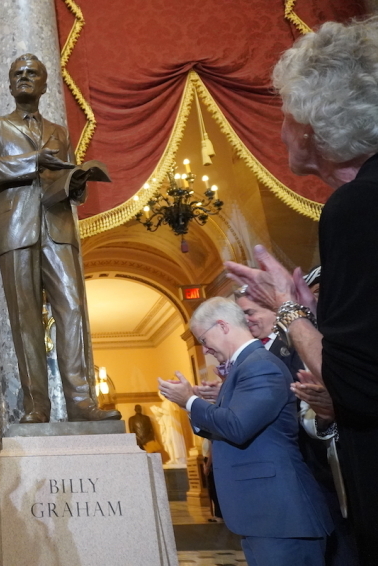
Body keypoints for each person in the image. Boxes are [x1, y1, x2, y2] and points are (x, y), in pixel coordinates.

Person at [224, 16, 378, 563]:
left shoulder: (357, 207)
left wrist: (288, 309)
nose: (281, 128)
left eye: (284, 114)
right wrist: (319, 314)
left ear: (313, 125)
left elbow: (357, 387)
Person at [0, 53, 118, 423]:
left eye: (32, 73)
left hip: (58, 227)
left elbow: (63, 177)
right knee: (25, 319)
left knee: (72, 310)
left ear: (44, 84)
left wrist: (77, 183)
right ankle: (37, 404)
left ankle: (82, 402)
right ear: (9, 84)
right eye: (17, 73)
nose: (24, 77)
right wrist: (33, 160)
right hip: (16, 229)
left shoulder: (60, 131)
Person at [159, 297, 332, 565]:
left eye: (203, 340)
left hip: (280, 514)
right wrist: (193, 406)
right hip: (264, 515)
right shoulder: (244, 367)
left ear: (223, 326)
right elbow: (233, 425)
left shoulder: (260, 365)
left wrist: (190, 401)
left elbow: (237, 427)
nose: (205, 349)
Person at [235, 288, 358, 565]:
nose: (247, 321)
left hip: (326, 466)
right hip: (304, 469)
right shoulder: (264, 352)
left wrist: (327, 410)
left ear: (274, 309)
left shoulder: (300, 344)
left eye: (250, 312)